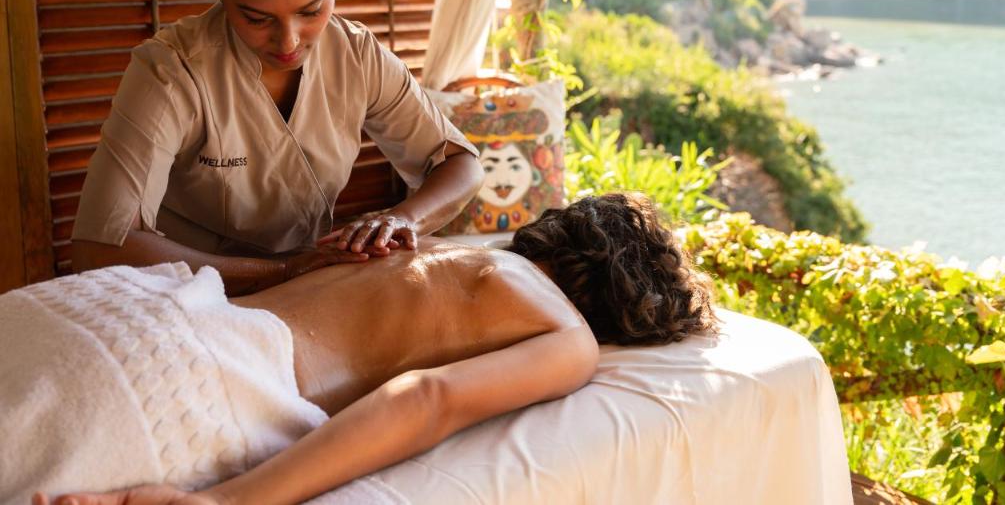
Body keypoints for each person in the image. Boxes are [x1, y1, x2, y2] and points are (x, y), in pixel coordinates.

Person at [12, 193, 718, 505]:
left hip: (120, 304)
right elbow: (427, 400)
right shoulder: (568, 340)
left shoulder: (429, 242)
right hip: (196, 378)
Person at [70, 0, 483, 293]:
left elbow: (461, 163)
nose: (289, 42)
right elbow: (100, 247)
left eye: (312, 11)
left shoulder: (357, 55)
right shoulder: (170, 70)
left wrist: (405, 218)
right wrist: (283, 271)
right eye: (257, 18)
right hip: (191, 290)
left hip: (308, 282)